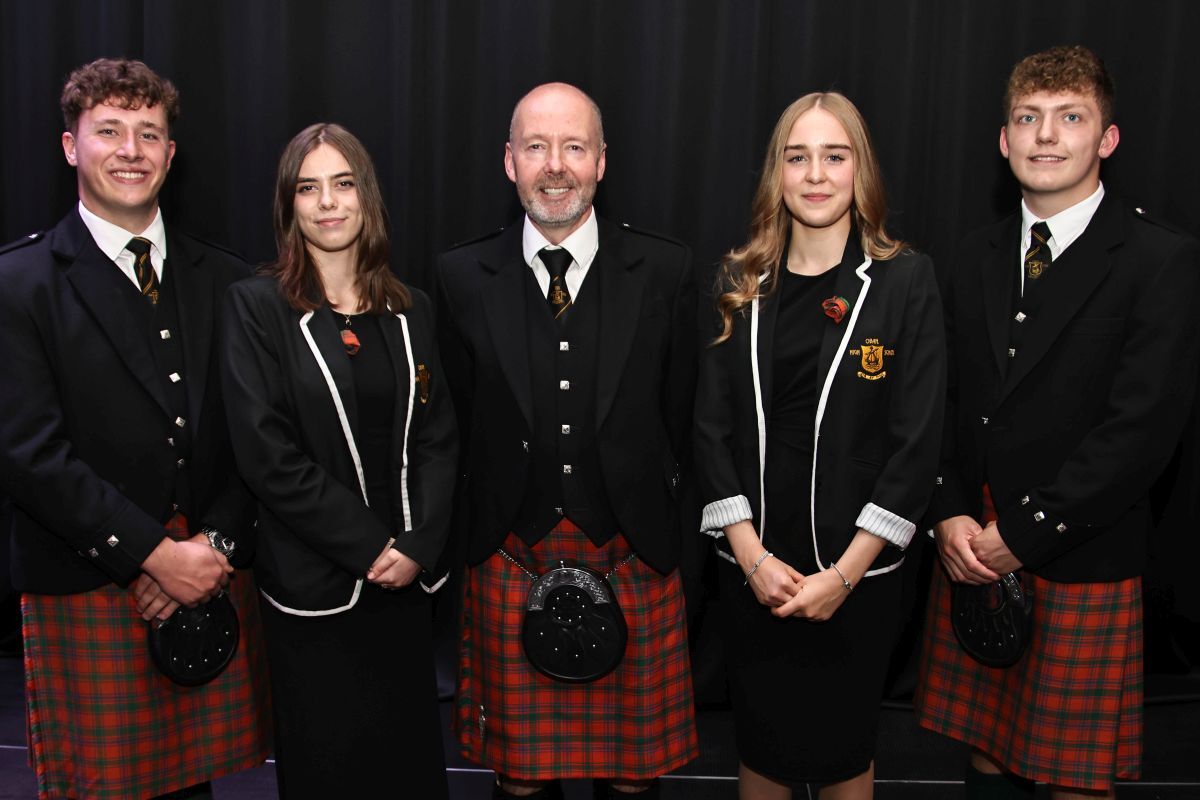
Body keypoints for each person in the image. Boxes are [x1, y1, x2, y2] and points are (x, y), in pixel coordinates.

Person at [914, 45, 1200, 799]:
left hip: (1079, 550)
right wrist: (946, 513)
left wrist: (1026, 532)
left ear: (1106, 139)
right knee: (985, 749)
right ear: (1004, 140)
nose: (1046, 135)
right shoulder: (970, 253)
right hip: (972, 543)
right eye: (1028, 118)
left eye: (1070, 117)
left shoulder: (1159, 259)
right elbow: (937, 398)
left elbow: (1140, 432)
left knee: (1075, 776)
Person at [0, 58, 271, 799]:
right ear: (69, 146)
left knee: (194, 789)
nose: (130, 150)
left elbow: (261, 434)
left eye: (148, 133)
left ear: (170, 154)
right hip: (90, 584)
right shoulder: (17, 284)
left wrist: (209, 549)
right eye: (109, 131)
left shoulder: (231, 281)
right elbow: (27, 454)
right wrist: (153, 556)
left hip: (210, 573)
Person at [437, 82, 699, 799]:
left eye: (574, 147)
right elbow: (453, 424)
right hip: (509, 551)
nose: (556, 165)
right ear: (509, 162)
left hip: (631, 549)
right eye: (536, 147)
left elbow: (684, 416)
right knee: (520, 779)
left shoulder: (666, 271)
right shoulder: (459, 277)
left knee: (631, 776)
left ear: (602, 162)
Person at [694, 92, 945, 799]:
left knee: (844, 763)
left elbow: (916, 444)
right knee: (761, 758)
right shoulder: (738, 283)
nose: (815, 174)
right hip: (755, 578)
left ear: (859, 169)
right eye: (796, 157)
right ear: (776, 172)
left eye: (834, 156)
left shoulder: (904, 281)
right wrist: (751, 558)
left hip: (857, 581)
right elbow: (708, 428)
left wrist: (845, 576)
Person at [220, 123, 457, 798]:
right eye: (308, 187)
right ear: (288, 205)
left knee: (406, 771)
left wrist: (416, 545)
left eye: (343, 183)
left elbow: (439, 438)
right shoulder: (255, 308)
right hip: (316, 586)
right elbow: (265, 455)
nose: (328, 202)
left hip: (405, 587)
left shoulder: (414, 311)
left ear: (367, 197)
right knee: (328, 773)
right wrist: (369, 545)